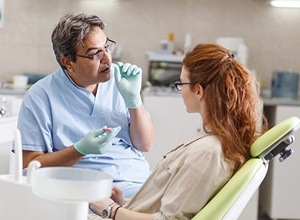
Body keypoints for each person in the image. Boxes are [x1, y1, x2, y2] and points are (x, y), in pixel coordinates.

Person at [88, 43, 268, 220]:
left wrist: (110, 210)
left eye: (181, 83)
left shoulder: (208, 152)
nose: (180, 90)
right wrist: (125, 203)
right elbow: (170, 203)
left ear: (198, 91)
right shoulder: (216, 141)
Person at [16, 12, 154, 198]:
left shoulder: (120, 80)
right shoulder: (40, 96)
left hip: (138, 179)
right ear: (68, 63)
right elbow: (29, 165)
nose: (107, 59)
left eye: (106, 47)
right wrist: (79, 150)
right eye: (95, 53)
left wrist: (134, 101)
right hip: (87, 188)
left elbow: (145, 145)